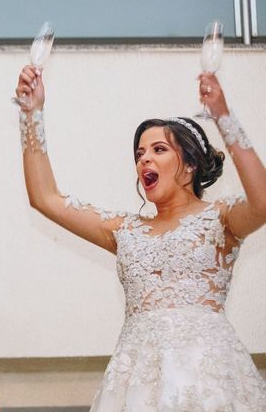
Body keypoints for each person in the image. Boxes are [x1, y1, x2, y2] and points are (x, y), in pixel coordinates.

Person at [15, 64, 266, 411]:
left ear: (191, 164)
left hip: (206, 379)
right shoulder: (125, 231)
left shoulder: (221, 219)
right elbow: (45, 198)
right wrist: (32, 114)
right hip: (135, 383)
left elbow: (263, 200)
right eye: (140, 153)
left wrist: (223, 116)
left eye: (159, 149)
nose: (144, 157)